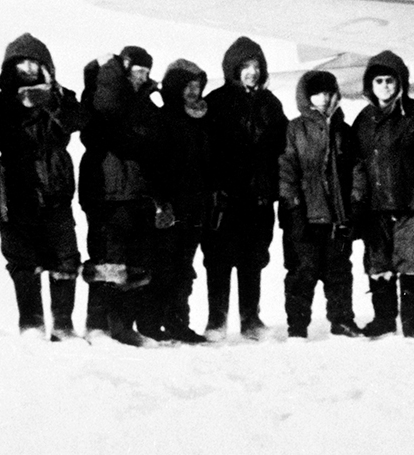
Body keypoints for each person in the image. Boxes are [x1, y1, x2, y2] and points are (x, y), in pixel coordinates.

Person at [0, 33, 87, 340]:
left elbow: (78, 120)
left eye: (34, 62)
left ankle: (62, 324)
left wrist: (52, 98)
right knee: (23, 261)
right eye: (21, 62)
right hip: (18, 192)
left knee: (65, 259)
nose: (28, 68)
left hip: (56, 193)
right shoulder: (0, 102)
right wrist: (21, 103)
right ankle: (30, 324)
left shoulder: (62, 96)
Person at [352, 50, 414, 340]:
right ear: (370, 85)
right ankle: (383, 320)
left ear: (400, 82)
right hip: (376, 208)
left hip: (412, 206)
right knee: (379, 265)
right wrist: (360, 202)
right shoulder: (364, 119)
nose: (384, 86)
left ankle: (411, 322)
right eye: (378, 81)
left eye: (390, 80)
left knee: (413, 265)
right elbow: (358, 166)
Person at [78, 45, 166, 347]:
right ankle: (97, 325)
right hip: (107, 192)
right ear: (123, 72)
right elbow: (107, 118)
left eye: (146, 73)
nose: (142, 78)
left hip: (136, 193)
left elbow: (153, 145)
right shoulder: (101, 99)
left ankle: (122, 326)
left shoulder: (144, 104)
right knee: (107, 260)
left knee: (134, 263)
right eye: (136, 72)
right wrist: (111, 69)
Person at [203, 37, 288, 341]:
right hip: (224, 198)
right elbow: (205, 151)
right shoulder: (216, 101)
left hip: (258, 198)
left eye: (256, 66)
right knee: (219, 259)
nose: (251, 72)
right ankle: (217, 320)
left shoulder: (270, 104)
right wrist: (214, 188)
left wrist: (273, 188)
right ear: (233, 69)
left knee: (253, 258)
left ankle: (250, 318)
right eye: (245, 66)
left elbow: (281, 148)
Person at [278, 70, 364, 339]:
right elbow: (286, 169)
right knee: (302, 273)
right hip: (306, 215)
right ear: (307, 97)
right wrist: (293, 208)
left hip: (338, 217)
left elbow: (357, 169)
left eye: (329, 93)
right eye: (318, 94)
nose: (324, 99)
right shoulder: (295, 129)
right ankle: (297, 327)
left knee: (339, 272)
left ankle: (342, 321)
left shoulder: (344, 131)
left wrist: (356, 201)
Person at [147, 59, 212, 343]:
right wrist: (161, 202)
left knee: (184, 267)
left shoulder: (202, 120)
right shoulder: (162, 119)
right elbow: (152, 168)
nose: (193, 91)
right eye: (187, 85)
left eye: (197, 86)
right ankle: (151, 322)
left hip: (195, 204)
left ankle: (177, 321)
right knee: (163, 266)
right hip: (169, 205)